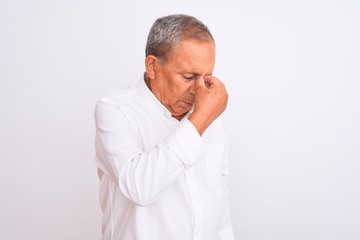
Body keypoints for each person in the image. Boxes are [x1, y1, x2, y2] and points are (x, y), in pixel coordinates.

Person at [95, 14, 235, 240]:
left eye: (207, 76)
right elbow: (139, 187)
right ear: (152, 66)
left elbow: (221, 214)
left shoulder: (210, 122)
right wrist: (199, 121)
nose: (199, 89)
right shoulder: (114, 110)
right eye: (189, 76)